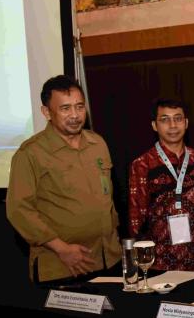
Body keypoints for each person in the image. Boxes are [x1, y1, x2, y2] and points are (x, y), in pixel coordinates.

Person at [7, 75, 121, 282]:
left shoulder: (97, 143)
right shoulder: (30, 153)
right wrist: (61, 249)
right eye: (65, 108)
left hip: (109, 258)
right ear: (46, 112)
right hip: (63, 265)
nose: (75, 115)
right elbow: (19, 210)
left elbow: (107, 195)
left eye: (79, 107)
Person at [128, 98, 194, 271]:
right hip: (159, 262)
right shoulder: (142, 164)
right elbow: (136, 219)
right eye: (165, 120)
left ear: (186, 123)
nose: (172, 125)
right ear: (154, 125)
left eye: (178, 118)